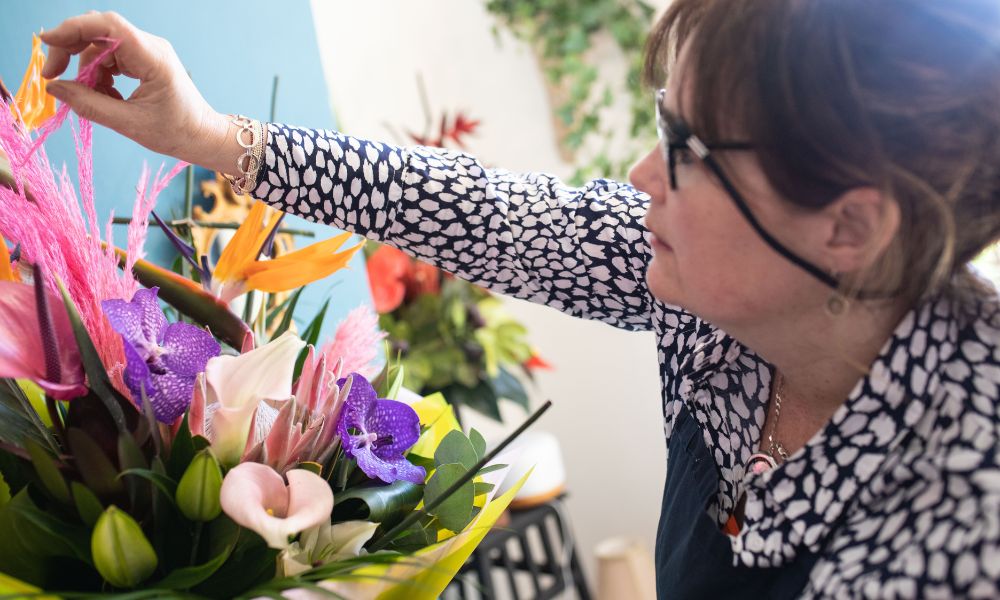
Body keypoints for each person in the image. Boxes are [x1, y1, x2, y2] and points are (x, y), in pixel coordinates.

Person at [37, 1, 1000, 597]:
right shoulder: (738, 300)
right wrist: (211, 136)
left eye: (690, 153)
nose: (639, 174)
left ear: (849, 227)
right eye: (662, 127)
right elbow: (502, 217)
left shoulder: (966, 521)